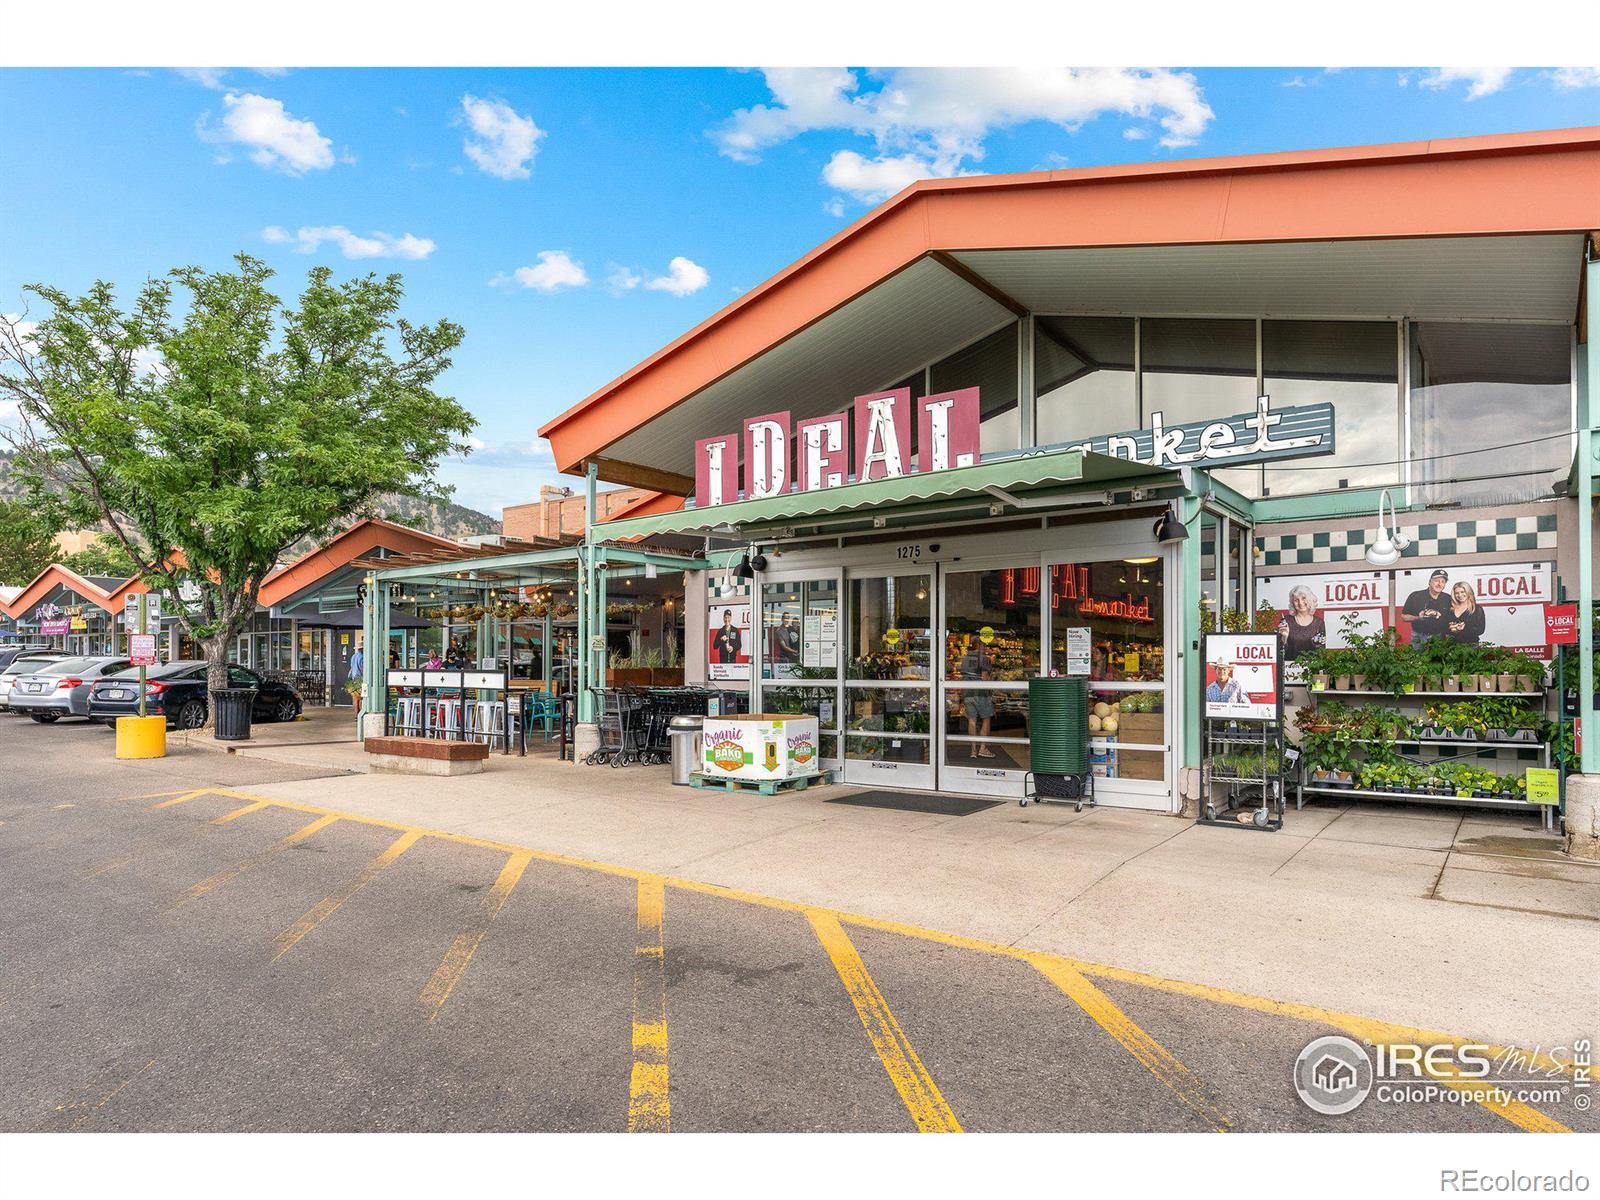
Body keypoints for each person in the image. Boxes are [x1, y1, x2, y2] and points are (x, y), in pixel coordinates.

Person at [959, 637, 996, 758]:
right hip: (981, 693)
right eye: (984, 646)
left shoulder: (965, 659)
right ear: (979, 646)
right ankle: (983, 748)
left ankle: (973, 750)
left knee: (972, 720)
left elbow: (963, 678)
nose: (985, 648)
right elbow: (984, 678)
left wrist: (962, 694)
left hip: (968, 693)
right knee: (986, 719)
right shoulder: (984, 659)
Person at [1399, 569, 1450, 644]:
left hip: (1439, 637)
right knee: (1418, 656)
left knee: (1438, 656)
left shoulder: (1448, 598)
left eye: (1443, 581)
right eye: (1436, 580)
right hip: (1419, 637)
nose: (1439, 584)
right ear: (1429, 581)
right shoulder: (1415, 596)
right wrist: (1418, 617)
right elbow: (1404, 617)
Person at [1277, 585, 1326, 659]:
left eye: (1303, 598)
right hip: (1289, 667)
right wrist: (1284, 638)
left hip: (1312, 668)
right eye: (1296, 600)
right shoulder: (1286, 621)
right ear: (1292, 603)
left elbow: (1321, 652)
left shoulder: (1319, 623)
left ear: (1310, 599)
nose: (1300, 603)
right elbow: (1279, 652)